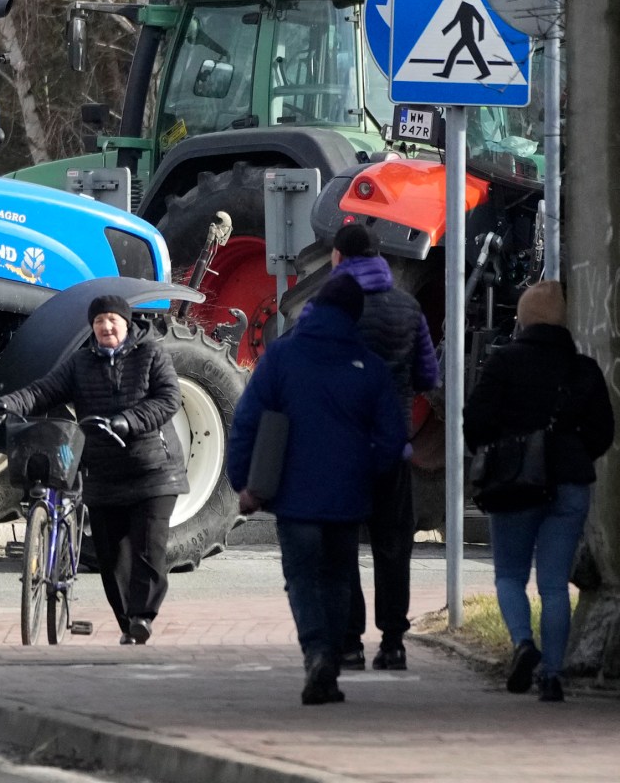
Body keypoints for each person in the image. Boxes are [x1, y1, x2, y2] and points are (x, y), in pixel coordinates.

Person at [229, 270, 405, 705]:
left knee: (303, 578)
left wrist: (245, 482)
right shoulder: (371, 367)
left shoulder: (281, 358)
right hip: (348, 498)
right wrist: (372, 473)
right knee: (338, 578)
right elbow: (392, 437)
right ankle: (334, 650)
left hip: (294, 497)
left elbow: (247, 421)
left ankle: (318, 652)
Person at [0, 294, 187, 644]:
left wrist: (128, 421)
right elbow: (43, 391)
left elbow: (169, 398)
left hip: (153, 469)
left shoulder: (151, 353)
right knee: (110, 556)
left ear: (126, 323)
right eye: (99, 322)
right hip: (104, 471)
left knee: (148, 549)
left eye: (113, 320)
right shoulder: (80, 362)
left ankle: (143, 615)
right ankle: (128, 624)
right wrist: (5, 405)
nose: (106, 327)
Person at [464, 281, 614, 702]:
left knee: (510, 575)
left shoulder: (504, 362)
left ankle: (523, 644)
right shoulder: (583, 369)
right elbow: (603, 431)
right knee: (553, 585)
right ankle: (552, 676)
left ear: (524, 318)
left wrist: (496, 452)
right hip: (569, 485)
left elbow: (475, 420)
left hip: (514, 485)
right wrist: (573, 455)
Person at [325, 223, 438, 673]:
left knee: (342, 546)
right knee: (393, 547)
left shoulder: (329, 309)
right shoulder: (408, 309)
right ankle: (393, 643)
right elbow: (428, 376)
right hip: (392, 449)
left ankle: (349, 643)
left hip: (341, 450)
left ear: (338, 258)